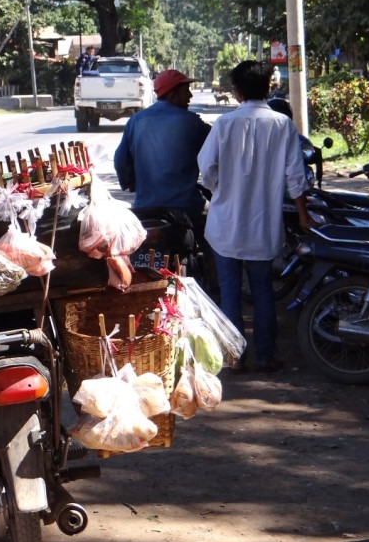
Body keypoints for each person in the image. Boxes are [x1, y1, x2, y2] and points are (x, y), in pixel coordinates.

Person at [196, 60, 311, 374]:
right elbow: (296, 177)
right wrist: (303, 215)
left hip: (225, 226)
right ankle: (266, 355)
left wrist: (219, 187)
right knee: (263, 291)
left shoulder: (224, 124)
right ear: (268, 88)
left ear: (236, 92)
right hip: (263, 226)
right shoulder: (282, 125)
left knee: (230, 292)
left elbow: (206, 169)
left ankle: (235, 358)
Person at [113, 69, 211, 231]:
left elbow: (120, 162)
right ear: (172, 94)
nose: (190, 96)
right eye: (186, 91)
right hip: (186, 206)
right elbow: (217, 155)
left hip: (144, 206)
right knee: (216, 226)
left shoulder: (136, 120)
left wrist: (132, 184)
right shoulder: (193, 123)